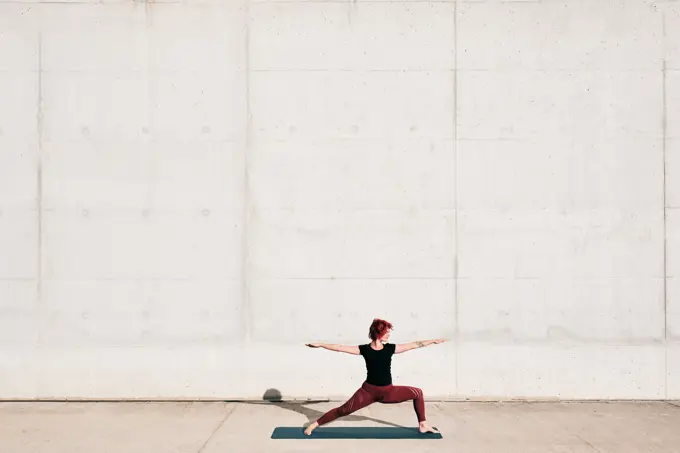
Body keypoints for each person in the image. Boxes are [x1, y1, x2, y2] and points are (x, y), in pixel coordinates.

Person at [304, 318, 446, 436]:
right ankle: (314, 425)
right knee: (343, 410)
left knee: (418, 393)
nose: (389, 335)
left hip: (388, 392)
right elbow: (341, 347)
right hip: (368, 392)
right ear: (378, 333)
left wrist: (433, 341)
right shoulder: (364, 349)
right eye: (386, 332)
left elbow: (414, 345)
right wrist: (321, 344)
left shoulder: (390, 348)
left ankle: (423, 424)